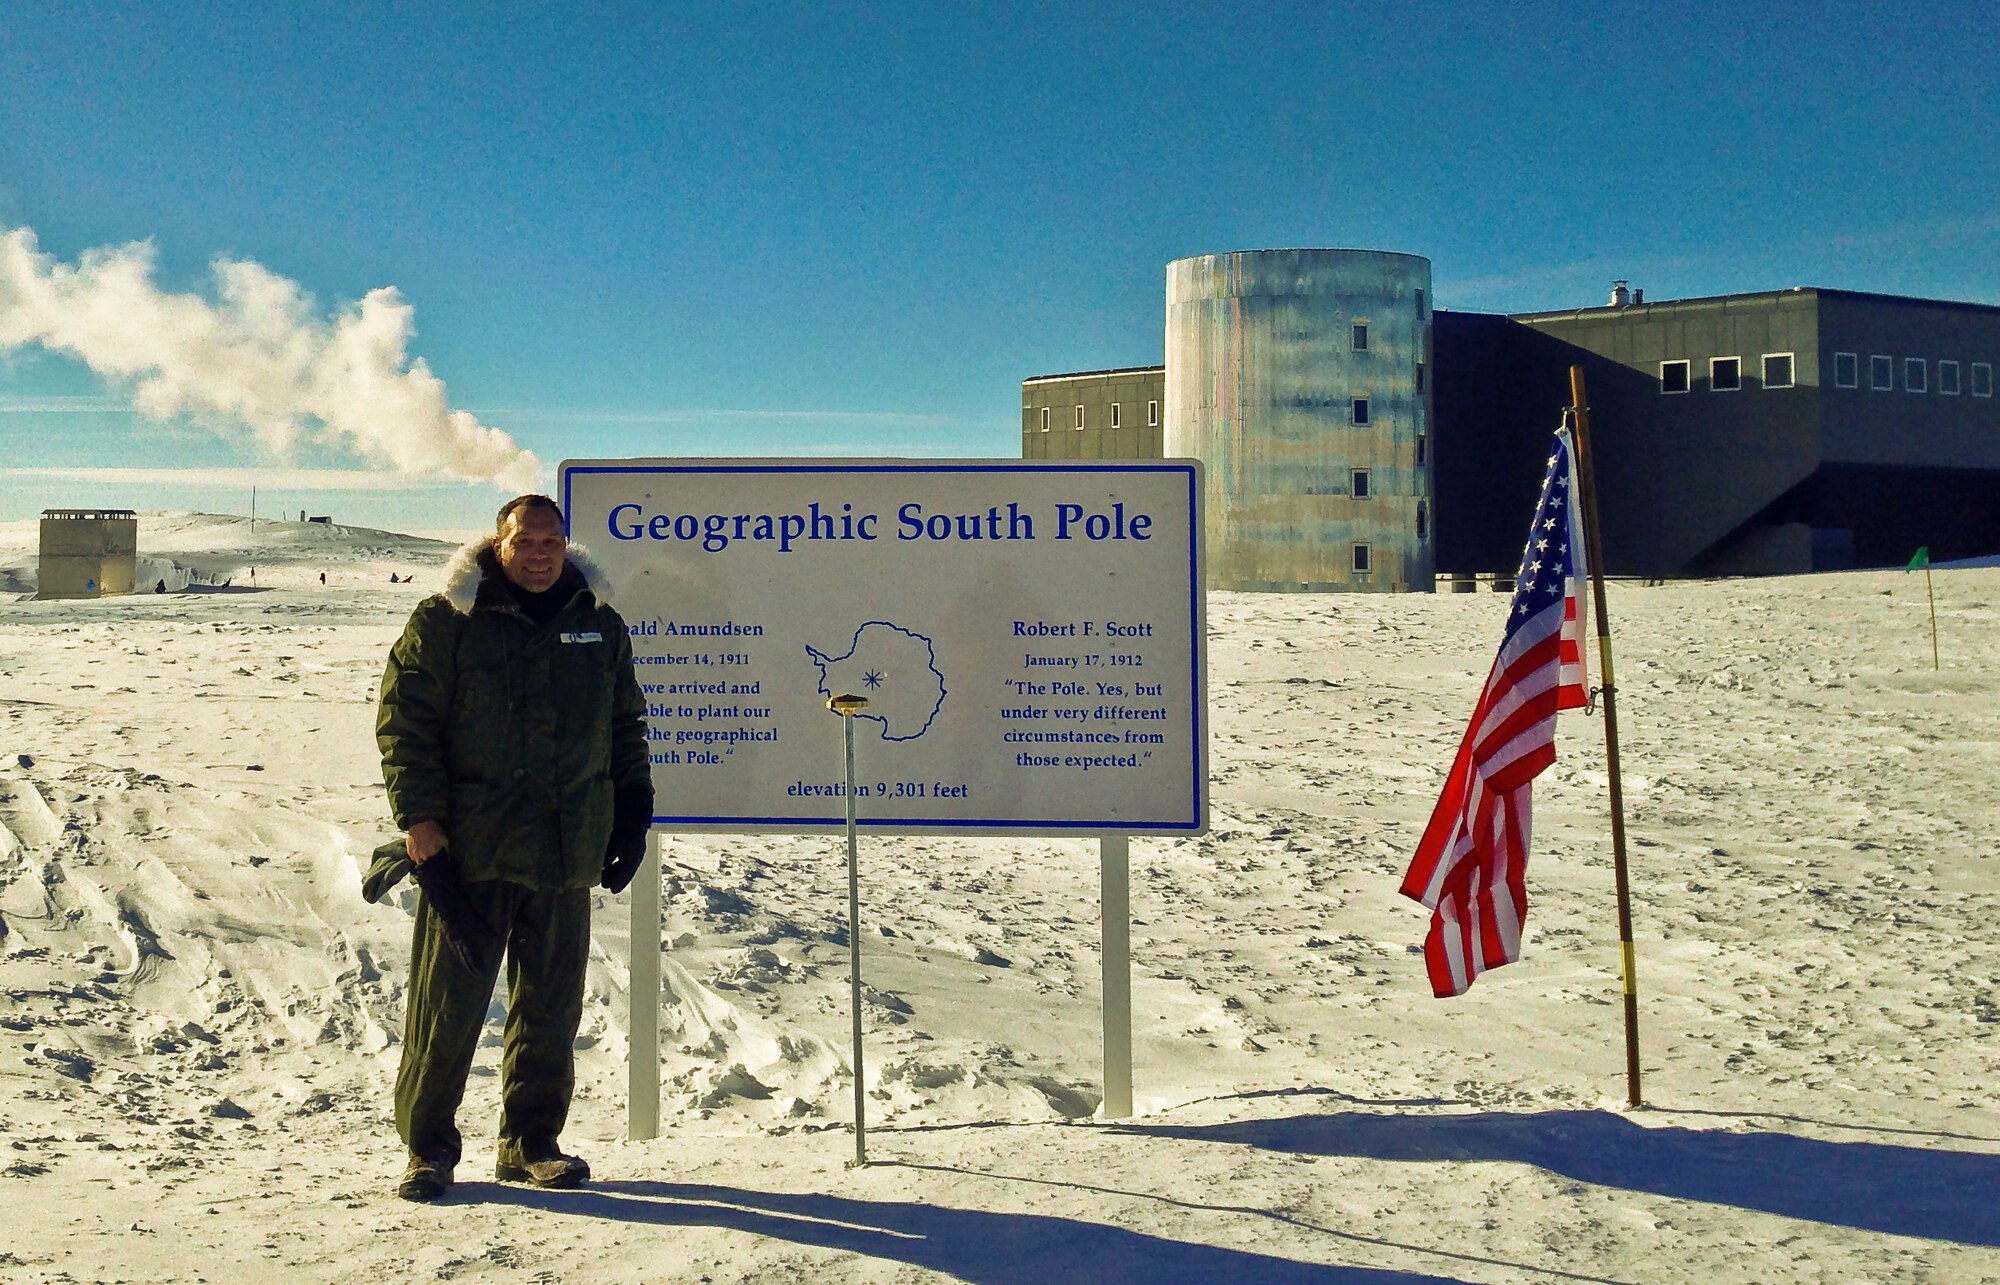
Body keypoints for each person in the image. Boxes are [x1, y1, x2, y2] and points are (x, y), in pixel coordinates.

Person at [376, 494, 654, 1203]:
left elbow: (626, 723)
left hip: (566, 850)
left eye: (551, 542)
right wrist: (421, 827)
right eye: (525, 541)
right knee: (449, 1005)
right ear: (498, 543)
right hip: (474, 850)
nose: (539, 554)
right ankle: (428, 1148)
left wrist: (632, 809)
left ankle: (531, 1143)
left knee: (551, 1010)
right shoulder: (449, 620)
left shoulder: (597, 622)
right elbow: (405, 723)